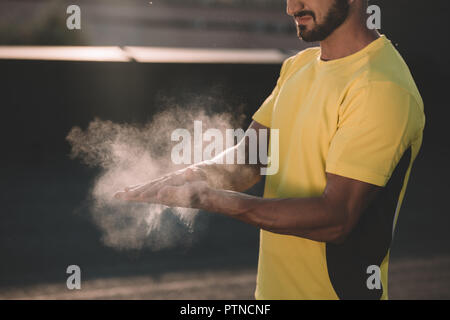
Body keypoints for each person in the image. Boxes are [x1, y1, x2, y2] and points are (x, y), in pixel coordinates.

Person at [115, 0, 425, 300]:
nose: (291, 8)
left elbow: (336, 219)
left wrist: (213, 199)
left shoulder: (381, 88)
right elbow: (251, 159)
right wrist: (191, 177)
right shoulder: (298, 66)